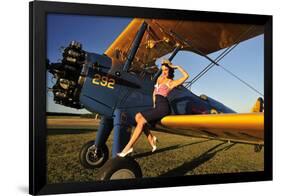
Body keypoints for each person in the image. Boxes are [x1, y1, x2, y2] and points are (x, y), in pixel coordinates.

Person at [117, 59, 189, 157]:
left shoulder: (171, 82)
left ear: (170, 70)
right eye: (163, 69)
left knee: (141, 121)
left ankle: (128, 147)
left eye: (166, 70)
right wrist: (154, 105)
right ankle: (151, 138)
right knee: (138, 116)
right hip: (157, 106)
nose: (164, 72)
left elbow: (186, 76)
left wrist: (176, 67)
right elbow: (154, 93)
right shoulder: (159, 78)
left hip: (163, 107)